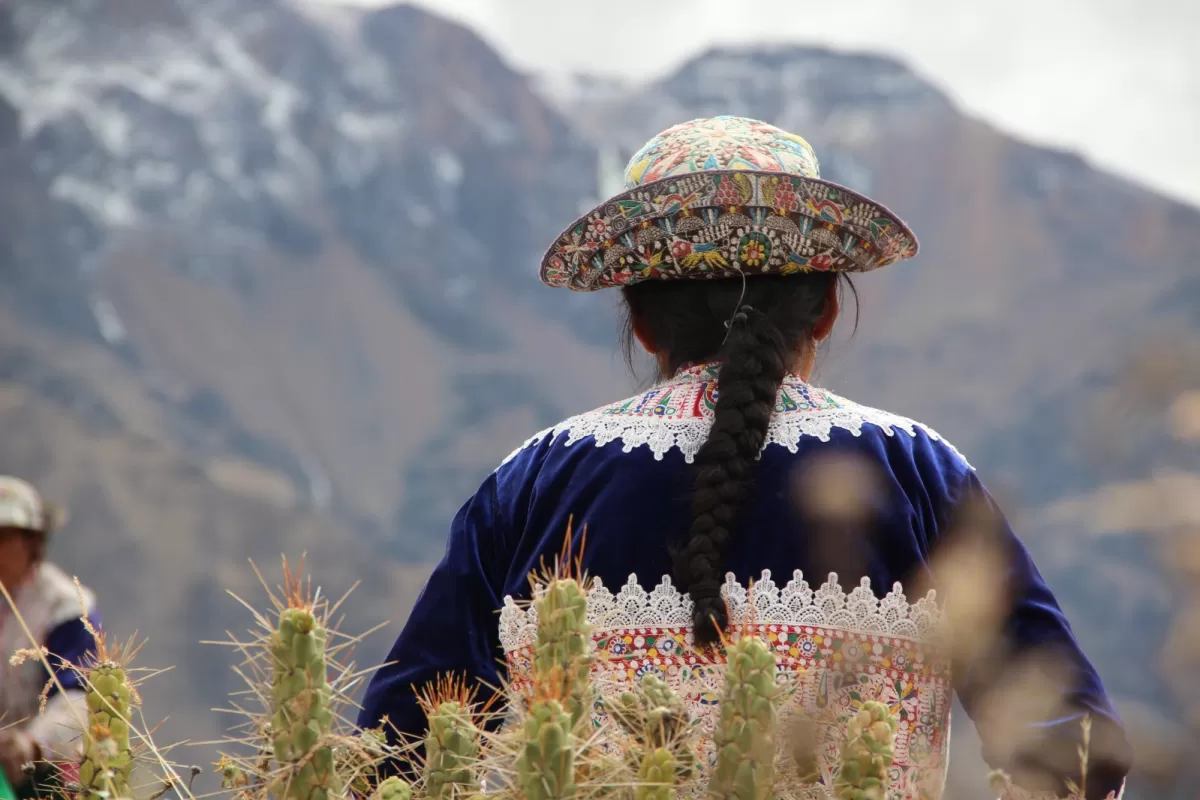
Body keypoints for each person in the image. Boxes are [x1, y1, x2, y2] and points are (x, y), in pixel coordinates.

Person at [358, 116, 1131, 798]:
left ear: (641, 320)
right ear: (825, 309)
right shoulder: (916, 472)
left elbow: (395, 759)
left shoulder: (532, 483)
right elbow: (1075, 751)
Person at [0, 477, 99, 798]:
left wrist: (31, 744)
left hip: (46, 769)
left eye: (4, 538)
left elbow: (78, 696)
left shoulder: (66, 607)